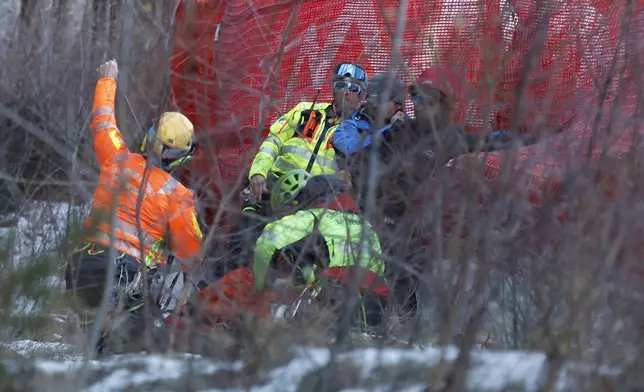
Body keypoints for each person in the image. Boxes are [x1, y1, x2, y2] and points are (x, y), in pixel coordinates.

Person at [65, 59, 203, 327]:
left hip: (79, 270)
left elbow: (103, 120)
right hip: (121, 281)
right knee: (146, 340)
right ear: (180, 158)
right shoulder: (178, 196)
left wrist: (107, 79)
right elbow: (191, 254)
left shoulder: (115, 159)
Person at [199, 169, 389, 328]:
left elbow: (267, 241)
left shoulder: (315, 215)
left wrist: (260, 286)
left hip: (337, 296)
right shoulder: (365, 225)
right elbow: (373, 267)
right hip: (377, 304)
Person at [226, 63, 369, 272]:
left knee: (287, 265)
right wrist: (258, 173)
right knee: (242, 243)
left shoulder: (360, 132)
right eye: (341, 85)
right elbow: (273, 141)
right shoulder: (303, 111)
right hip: (273, 189)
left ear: (363, 94)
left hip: (313, 204)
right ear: (332, 88)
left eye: (354, 87)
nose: (347, 92)